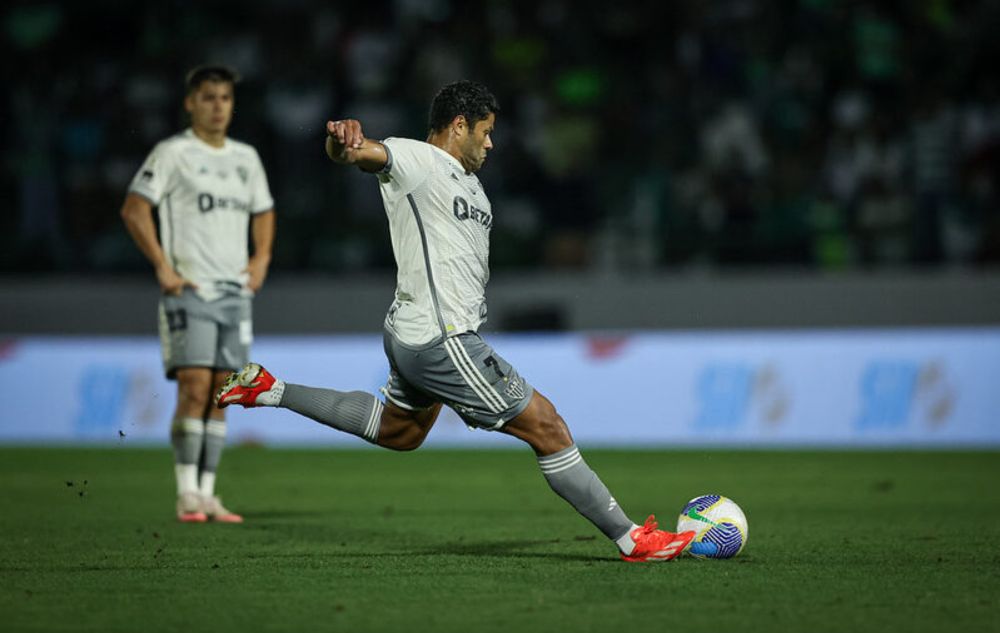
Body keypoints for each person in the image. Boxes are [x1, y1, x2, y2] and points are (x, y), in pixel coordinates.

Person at [216, 80, 693, 561]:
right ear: (458, 126)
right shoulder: (418, 161)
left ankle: (269, 389)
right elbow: (359, 154)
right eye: (485, 132)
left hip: (415, 330)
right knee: (547, 425)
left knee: (399, 432)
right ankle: (633, 539)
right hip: (441, 337)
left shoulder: (471, 186)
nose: (491, 142)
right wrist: (341, 143)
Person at [122, 65, 276, 524]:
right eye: (208, 98)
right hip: (189, 290)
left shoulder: (246, 158)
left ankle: (209, 494)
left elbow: (264, 211)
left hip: (234, 292)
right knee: (193, 387)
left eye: (225, 98)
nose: (217, 106)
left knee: (223, 393)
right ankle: (186, 492)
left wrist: (261, 258)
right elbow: (134, 209)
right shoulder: (172, 154)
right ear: (190, 103)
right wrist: (162, 267)